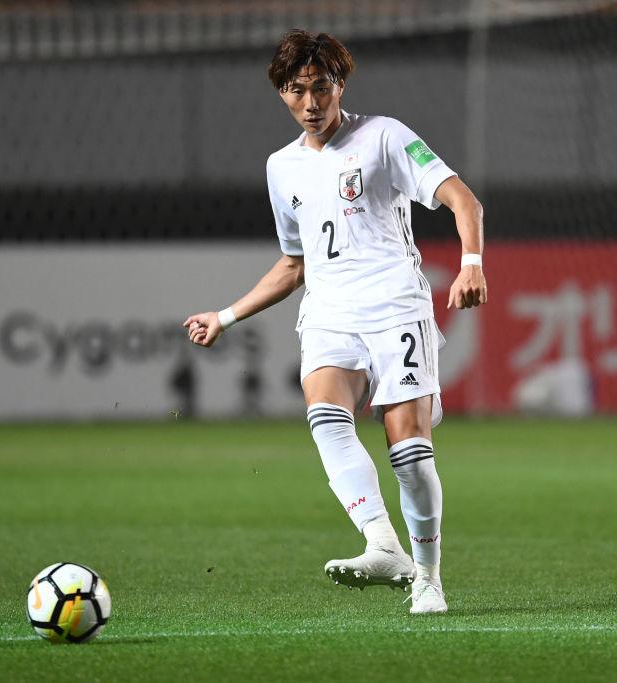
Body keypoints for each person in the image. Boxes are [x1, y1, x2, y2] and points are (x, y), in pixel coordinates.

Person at [183, 29, 486, 614]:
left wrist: (471, 263)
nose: (310, 103)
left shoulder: (384, 136)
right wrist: (225, 316)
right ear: (281, 93)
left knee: (409, 453)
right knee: (325, 416)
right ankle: (382, 543)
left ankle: (428, 577)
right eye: (296, 91)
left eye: (321, 88)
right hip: (329, 312)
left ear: (340, 84)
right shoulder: (281, 168)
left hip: (395, 305)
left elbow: (464, 201)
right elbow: (295, 264)